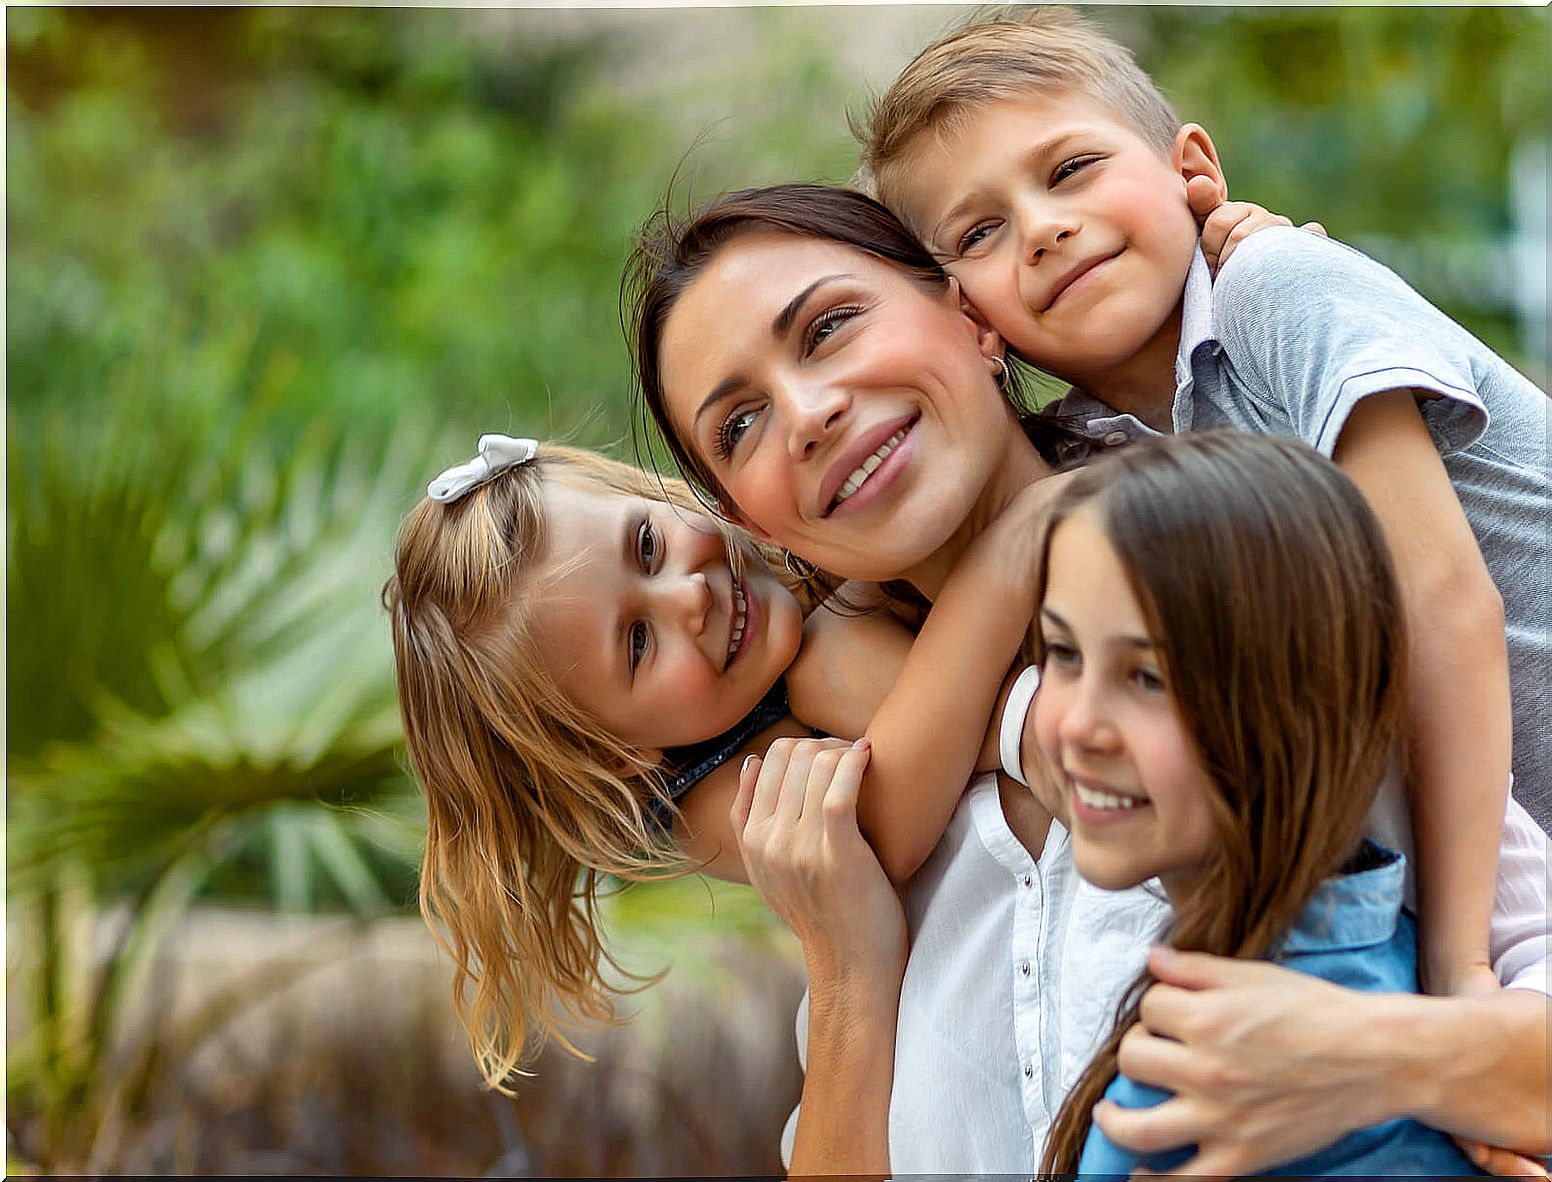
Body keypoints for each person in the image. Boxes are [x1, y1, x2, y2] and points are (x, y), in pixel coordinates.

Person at [626, 181, 1550, 1174]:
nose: (806, 414)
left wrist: (1376, 1058)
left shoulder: (1250, 585)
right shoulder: (855, 839)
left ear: (974, 318)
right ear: (752, 520)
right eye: (740, 426)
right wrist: (851, 971)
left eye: (830, 328)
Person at [858, 5, 1551, 1012]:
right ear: (968, 315)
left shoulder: (1274, 290)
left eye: (1070, 170)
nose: (1045, 229)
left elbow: (1445, 606)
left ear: (1193, 170)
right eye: (980, 230)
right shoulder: (1089, 460)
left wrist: (1457, 969)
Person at [1022, 431, 1481, 1175]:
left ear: (1297, 705)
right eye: (1063, 654)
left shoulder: (1217, 1089)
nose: (1076, 725)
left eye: (1148, 678)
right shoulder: (1375, 955)